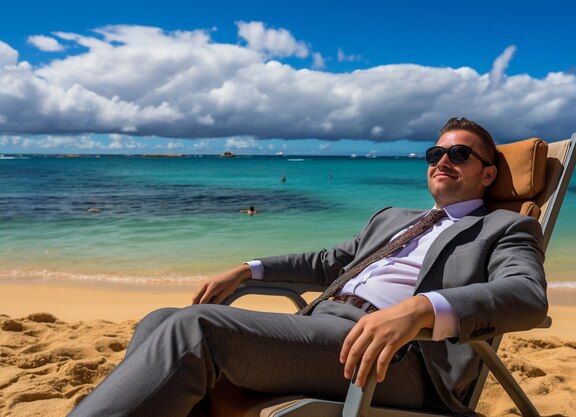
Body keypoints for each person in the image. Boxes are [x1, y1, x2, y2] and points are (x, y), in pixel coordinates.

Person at [68, 117, 547, 417]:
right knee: (160, 320)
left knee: (196, 331)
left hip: (394, 358)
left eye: (460, 154)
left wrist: (422, 308)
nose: (443, 160)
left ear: (487, 174)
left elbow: (526, 295)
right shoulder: (394, 218)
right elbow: (326, 263)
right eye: (436, 153)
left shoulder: (505, 227)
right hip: (319, 333)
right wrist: (247, 268)